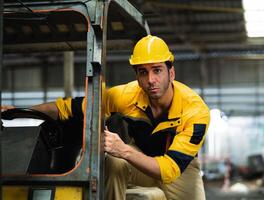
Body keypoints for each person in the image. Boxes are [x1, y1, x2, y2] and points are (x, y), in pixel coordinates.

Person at [2, 35, 210, 200]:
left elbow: (170, 169)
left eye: (157, 71)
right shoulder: (125, 95)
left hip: (180, 170)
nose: (150, 80)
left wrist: (123, 149)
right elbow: (66, 108)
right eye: (143, 72)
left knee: (122, 155)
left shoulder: (196, 112)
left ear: (171, 73)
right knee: (113, 162)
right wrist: (18, 109)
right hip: (140, 161)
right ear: (137, 76)